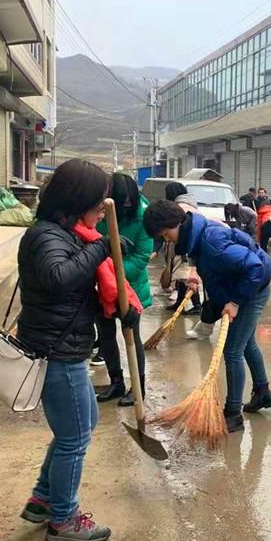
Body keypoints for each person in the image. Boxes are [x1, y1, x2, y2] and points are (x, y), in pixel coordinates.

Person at [17, 158, 132, 541]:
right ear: (77, 199)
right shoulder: (47, 236)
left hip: (62, 345)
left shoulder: (66, 234)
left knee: (78, 426)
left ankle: (42, 500)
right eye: (98, 202)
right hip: (56, 351)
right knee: (75, 437)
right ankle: (63, 519)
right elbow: (58, 279)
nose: (102, 210)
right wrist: (101, 248)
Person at [143, 201, 271, 434]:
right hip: (244, 286)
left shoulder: (210, 241)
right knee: (247, 344)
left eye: (166, 234)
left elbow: (254, 267)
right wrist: (198, 275)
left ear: (177, 223)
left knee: (232, 350)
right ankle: (263, 392)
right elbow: (216, 264)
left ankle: (232, 414)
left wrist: (235, 301)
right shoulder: (195, 235)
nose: (167, 240)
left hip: (252, 288)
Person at [95, 172, 153, 407]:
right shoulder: (101, 213)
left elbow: (141, 256)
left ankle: (138, 387)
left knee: (132, 336)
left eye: (131, 201)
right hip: (101, 285)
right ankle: (116, 382)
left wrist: (116, 275)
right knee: (106, 335)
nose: (128, 205)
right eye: (123, 202)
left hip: (131, 287)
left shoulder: (142, 216)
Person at [163, 181, 201, 314]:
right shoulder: (189, 203)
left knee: (185, 276)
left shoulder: (180, 207)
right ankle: (180, 303)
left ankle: (197, 306)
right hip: (186, 244)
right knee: (181, 277)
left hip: (185, 246)